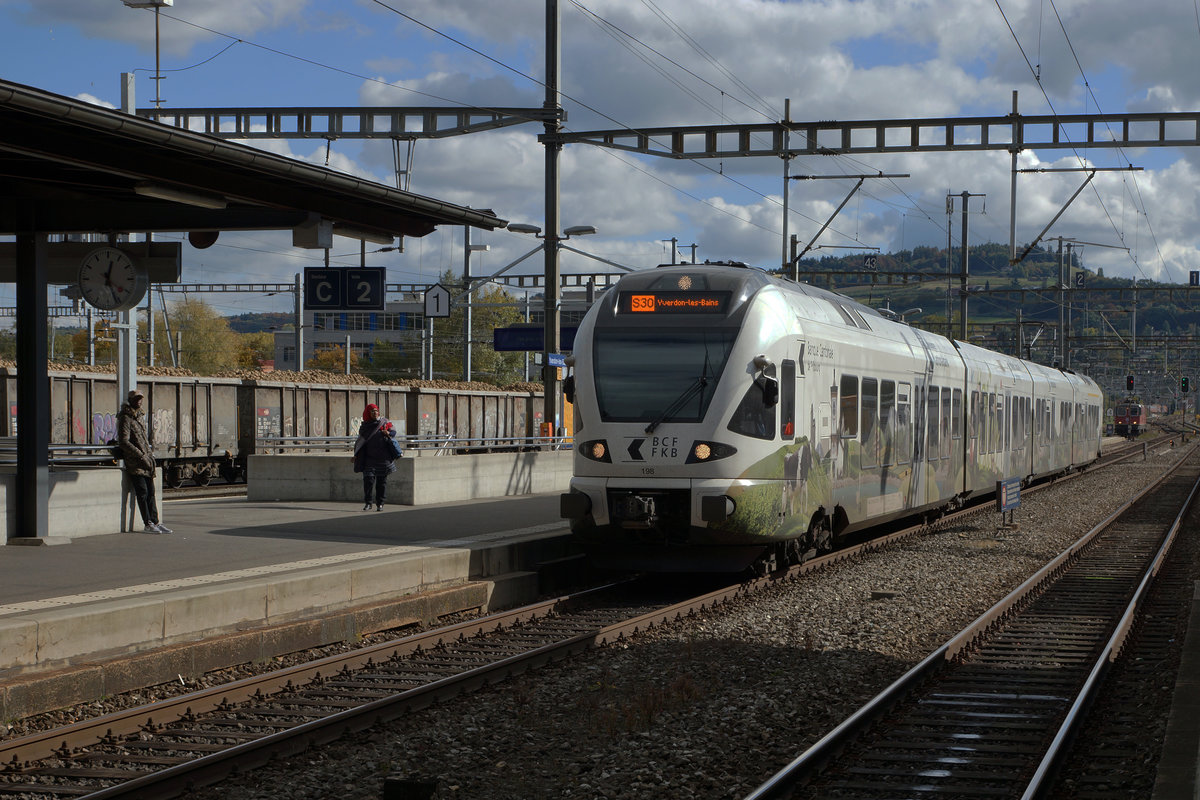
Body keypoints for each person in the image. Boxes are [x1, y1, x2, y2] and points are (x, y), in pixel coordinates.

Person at [118, 389, 171, 533]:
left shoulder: (139, 417)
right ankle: (148, 523)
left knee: (151, 493)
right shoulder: (125, 418)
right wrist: (140, 455)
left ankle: (156, 522)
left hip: (146, 461)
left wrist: (148, 456)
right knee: (143, 493)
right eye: (136, 399)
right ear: (130, 400)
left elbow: (143, 439)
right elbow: (124, 441)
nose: (139, 401)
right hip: (136, 463)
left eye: (140, 399)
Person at [353, 403, 398, 511]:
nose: (375, 413)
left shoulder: (384, 422)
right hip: (369, 460)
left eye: (376, 411)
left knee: (381, 483)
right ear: (367, 413)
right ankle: (368, 503)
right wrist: (356, 455)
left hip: (383, 459)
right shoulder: (365, 426)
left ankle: (380, 503)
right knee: (368, 481)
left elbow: (393, 432)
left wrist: (388, 432)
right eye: (372, 411)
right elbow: (360, 442)